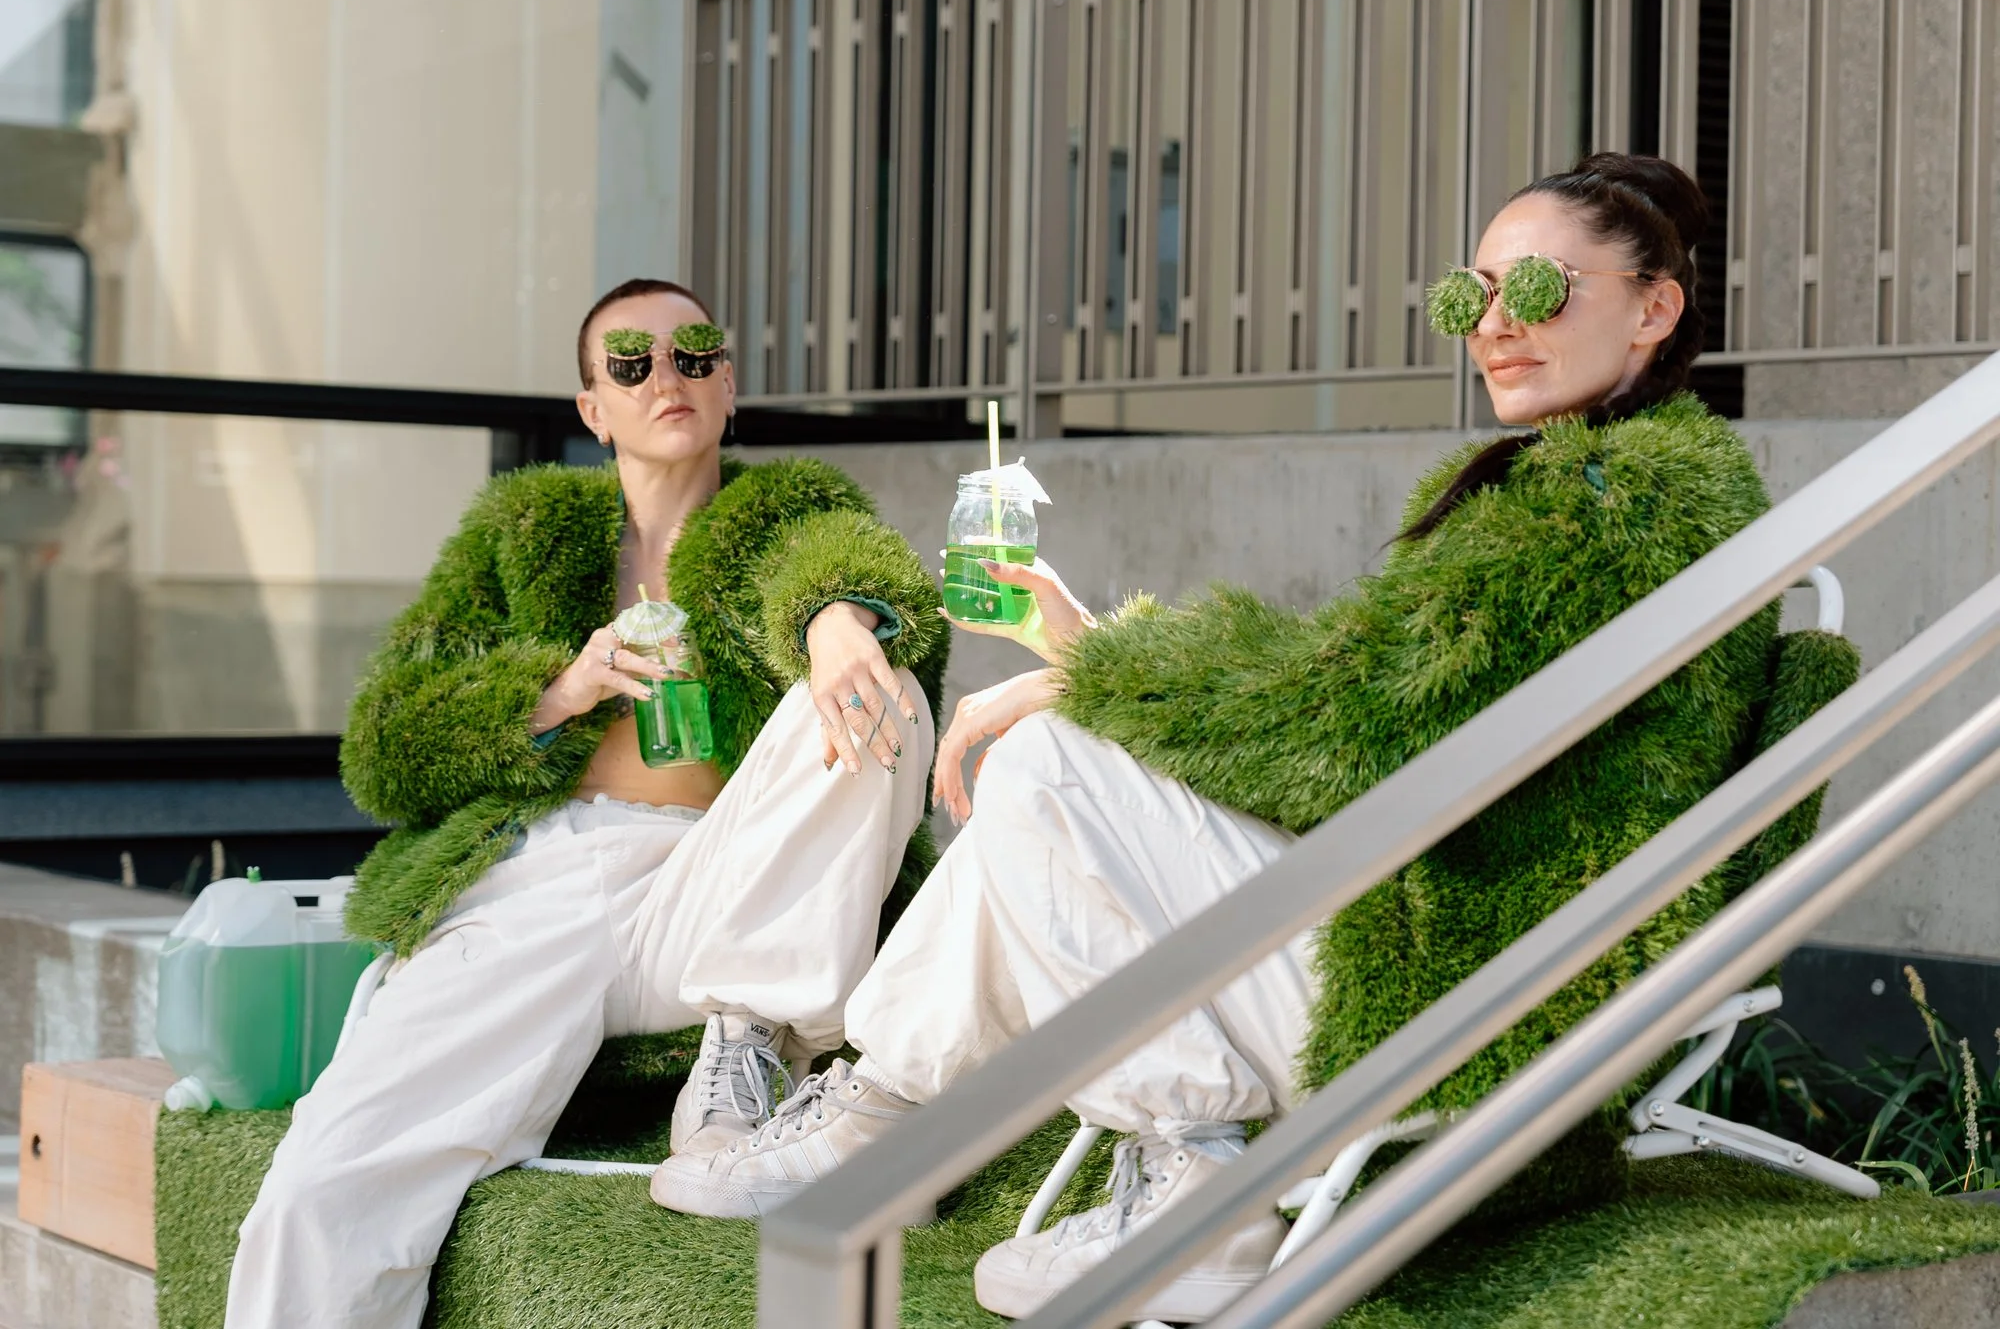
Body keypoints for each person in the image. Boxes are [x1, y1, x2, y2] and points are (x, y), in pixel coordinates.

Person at [651, 155, 1785, 1320]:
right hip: (1445, 939)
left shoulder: (1606, 505)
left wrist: (1090, 673)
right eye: (1469, 294)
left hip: (1454, 991)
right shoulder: (1595, 488)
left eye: (1537, 291)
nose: (1494, 325)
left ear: (1653, 306)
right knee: (1062, 769)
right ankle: (886, 1111)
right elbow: (1365, 709)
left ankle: (1194, 1179)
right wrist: (1093, 668)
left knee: (1048, 767)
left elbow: (1350, 732)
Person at [225, 279, 946, 1328]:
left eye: (695, 354)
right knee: (323, 1185)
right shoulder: (528, 530)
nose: (669, 377)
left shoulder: (780, 513)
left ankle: (744, 1049)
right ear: (591, 408)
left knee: (884, 683)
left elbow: (851, 567)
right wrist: (557, 691)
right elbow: (385, 742)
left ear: (728, 384)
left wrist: (838, 616)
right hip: (538, 885)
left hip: (715, 888)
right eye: (632, 363)